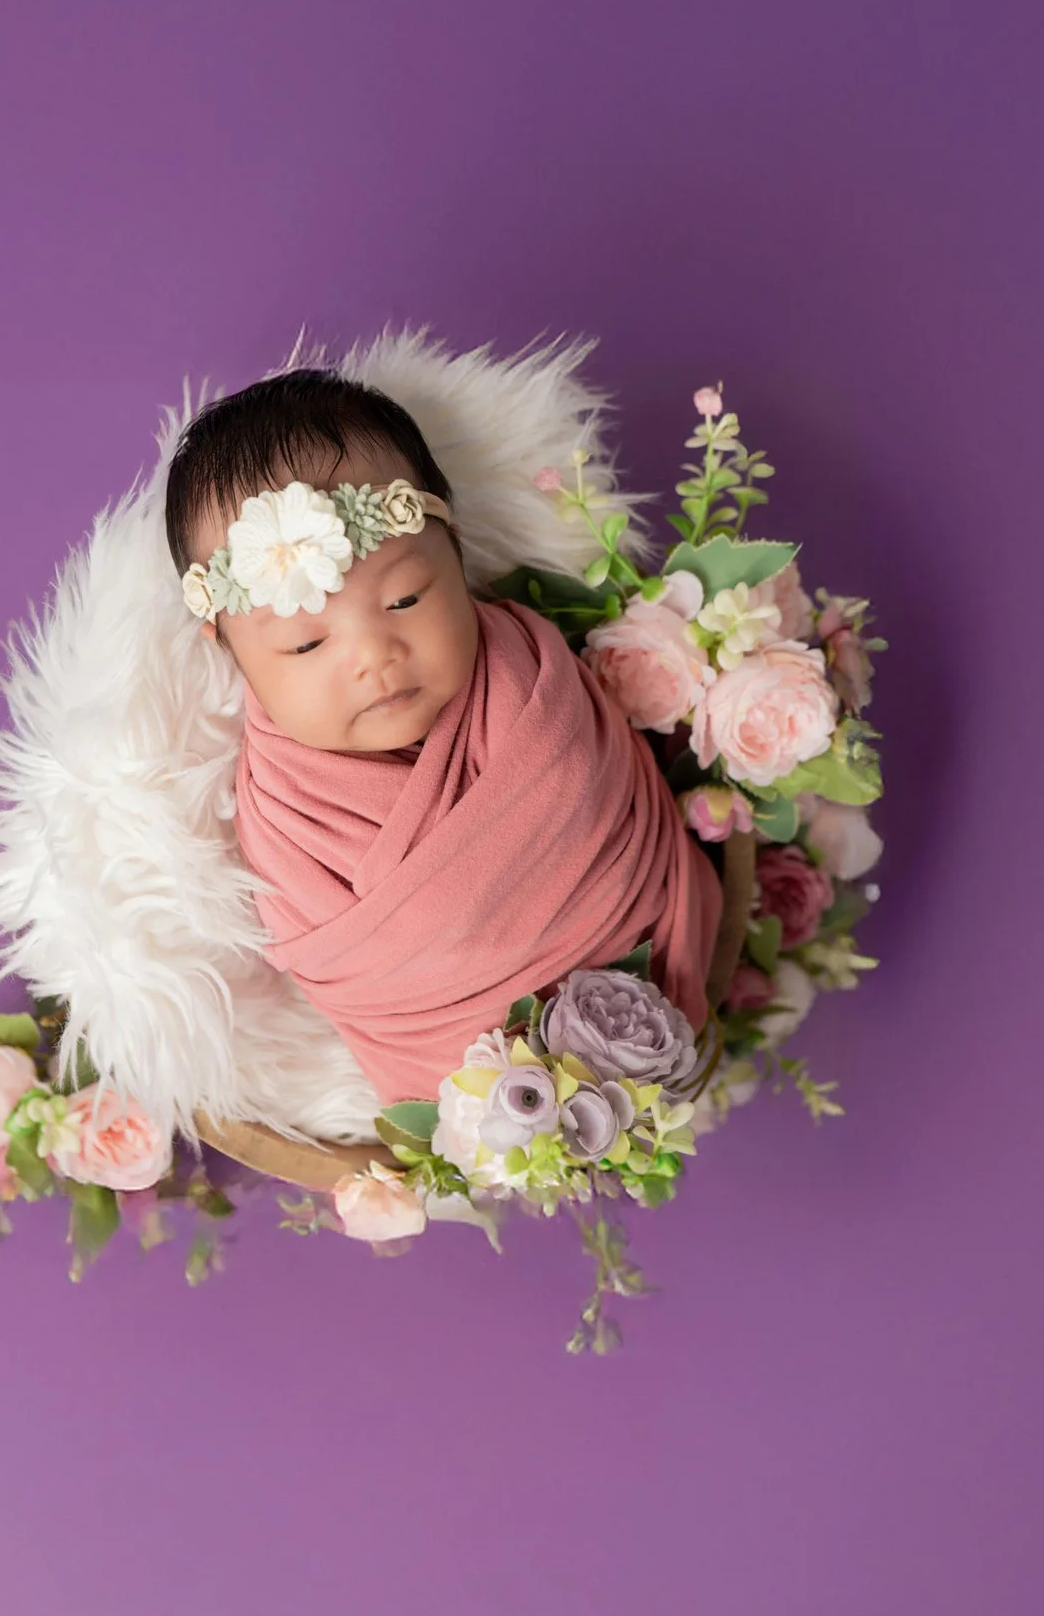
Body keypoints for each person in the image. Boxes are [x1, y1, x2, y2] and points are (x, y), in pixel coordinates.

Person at [165, 369, 722, 1109]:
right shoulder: (285, 815)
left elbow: (600, 795)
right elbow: (351, 981)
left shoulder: (530, 681)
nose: (374, 656)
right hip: (486, 1094)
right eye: (306, 644)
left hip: (661, 966)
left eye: (404, 599)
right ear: (230, 649)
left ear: (454, 553)